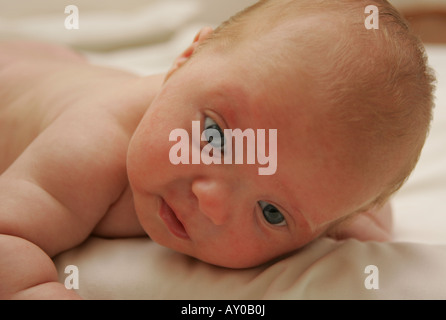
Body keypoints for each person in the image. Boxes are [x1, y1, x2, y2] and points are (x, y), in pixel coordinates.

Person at [0, 0, 435, 299]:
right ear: (186, 58)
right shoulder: (93, 145)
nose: (211, 202)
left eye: (271, 212)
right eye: (214, 137)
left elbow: (360, 208)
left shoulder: (306, 172)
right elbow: (9, 232)